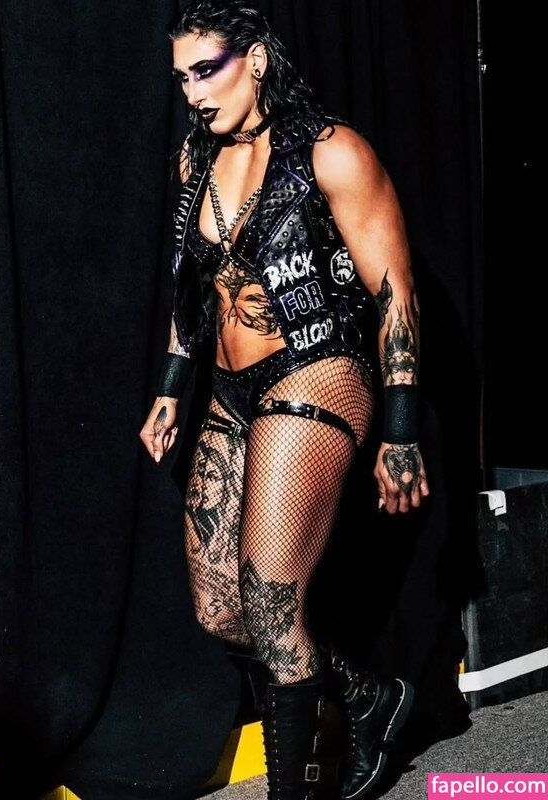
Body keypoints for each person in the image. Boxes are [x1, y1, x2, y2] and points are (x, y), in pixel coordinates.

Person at [139, 2, 430, 798]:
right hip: (232, 388)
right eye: (182, 78)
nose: (193, 93)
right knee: (221, 610)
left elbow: (396, 296)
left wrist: (401, 429)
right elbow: (193, 289)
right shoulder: (196, 160)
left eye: (207, 70)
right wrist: (170, 388)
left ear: (258, 60)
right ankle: (368, 698)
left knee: (271, 606)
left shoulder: (331, 151)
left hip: (316, 368)